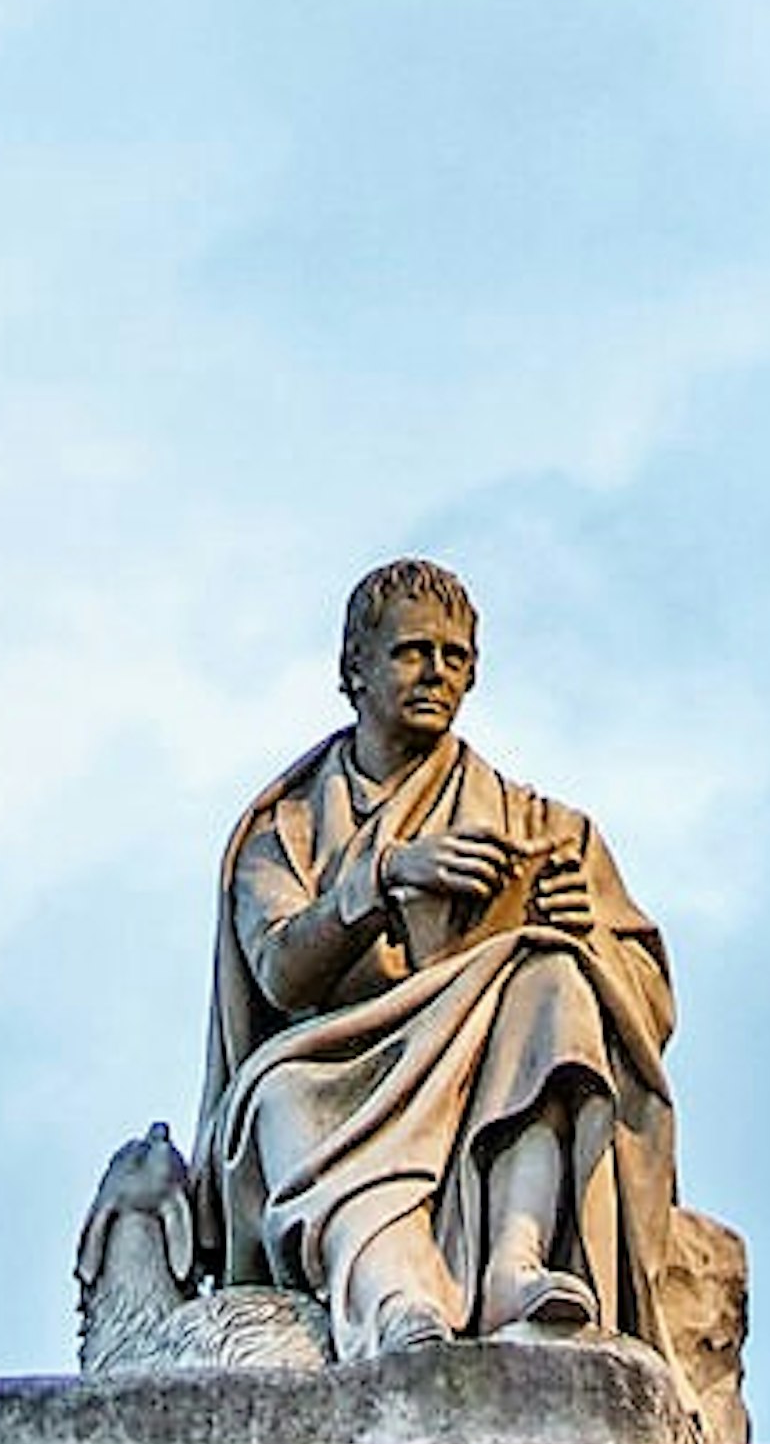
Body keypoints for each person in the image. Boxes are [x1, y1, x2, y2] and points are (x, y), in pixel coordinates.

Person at [200, 557, 683, 1364]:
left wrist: (586, 935)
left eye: (455, 657)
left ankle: (514, 1262)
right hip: (333, 1064)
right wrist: (380, 881)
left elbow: (649, 1002)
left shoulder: (544, 824)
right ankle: (394, 1297)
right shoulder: (281, 830)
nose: (436, 674)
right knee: (283, 1103)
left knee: (554, 978)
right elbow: (280, 973)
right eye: (411, 652)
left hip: (483, 1066)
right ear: (354, 668)